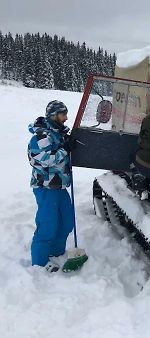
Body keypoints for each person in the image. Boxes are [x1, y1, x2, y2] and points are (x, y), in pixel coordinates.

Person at [28, 100, 76, 272]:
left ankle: (55, 252)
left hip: (59, 186)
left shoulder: (58, 134)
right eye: (63, 114)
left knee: (67, 221)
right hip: (45, 187)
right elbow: (43, 159)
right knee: (48, 224)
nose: (66, 118)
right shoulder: (41, 136)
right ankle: (40, 262)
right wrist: (65, 149)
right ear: (53, 115)